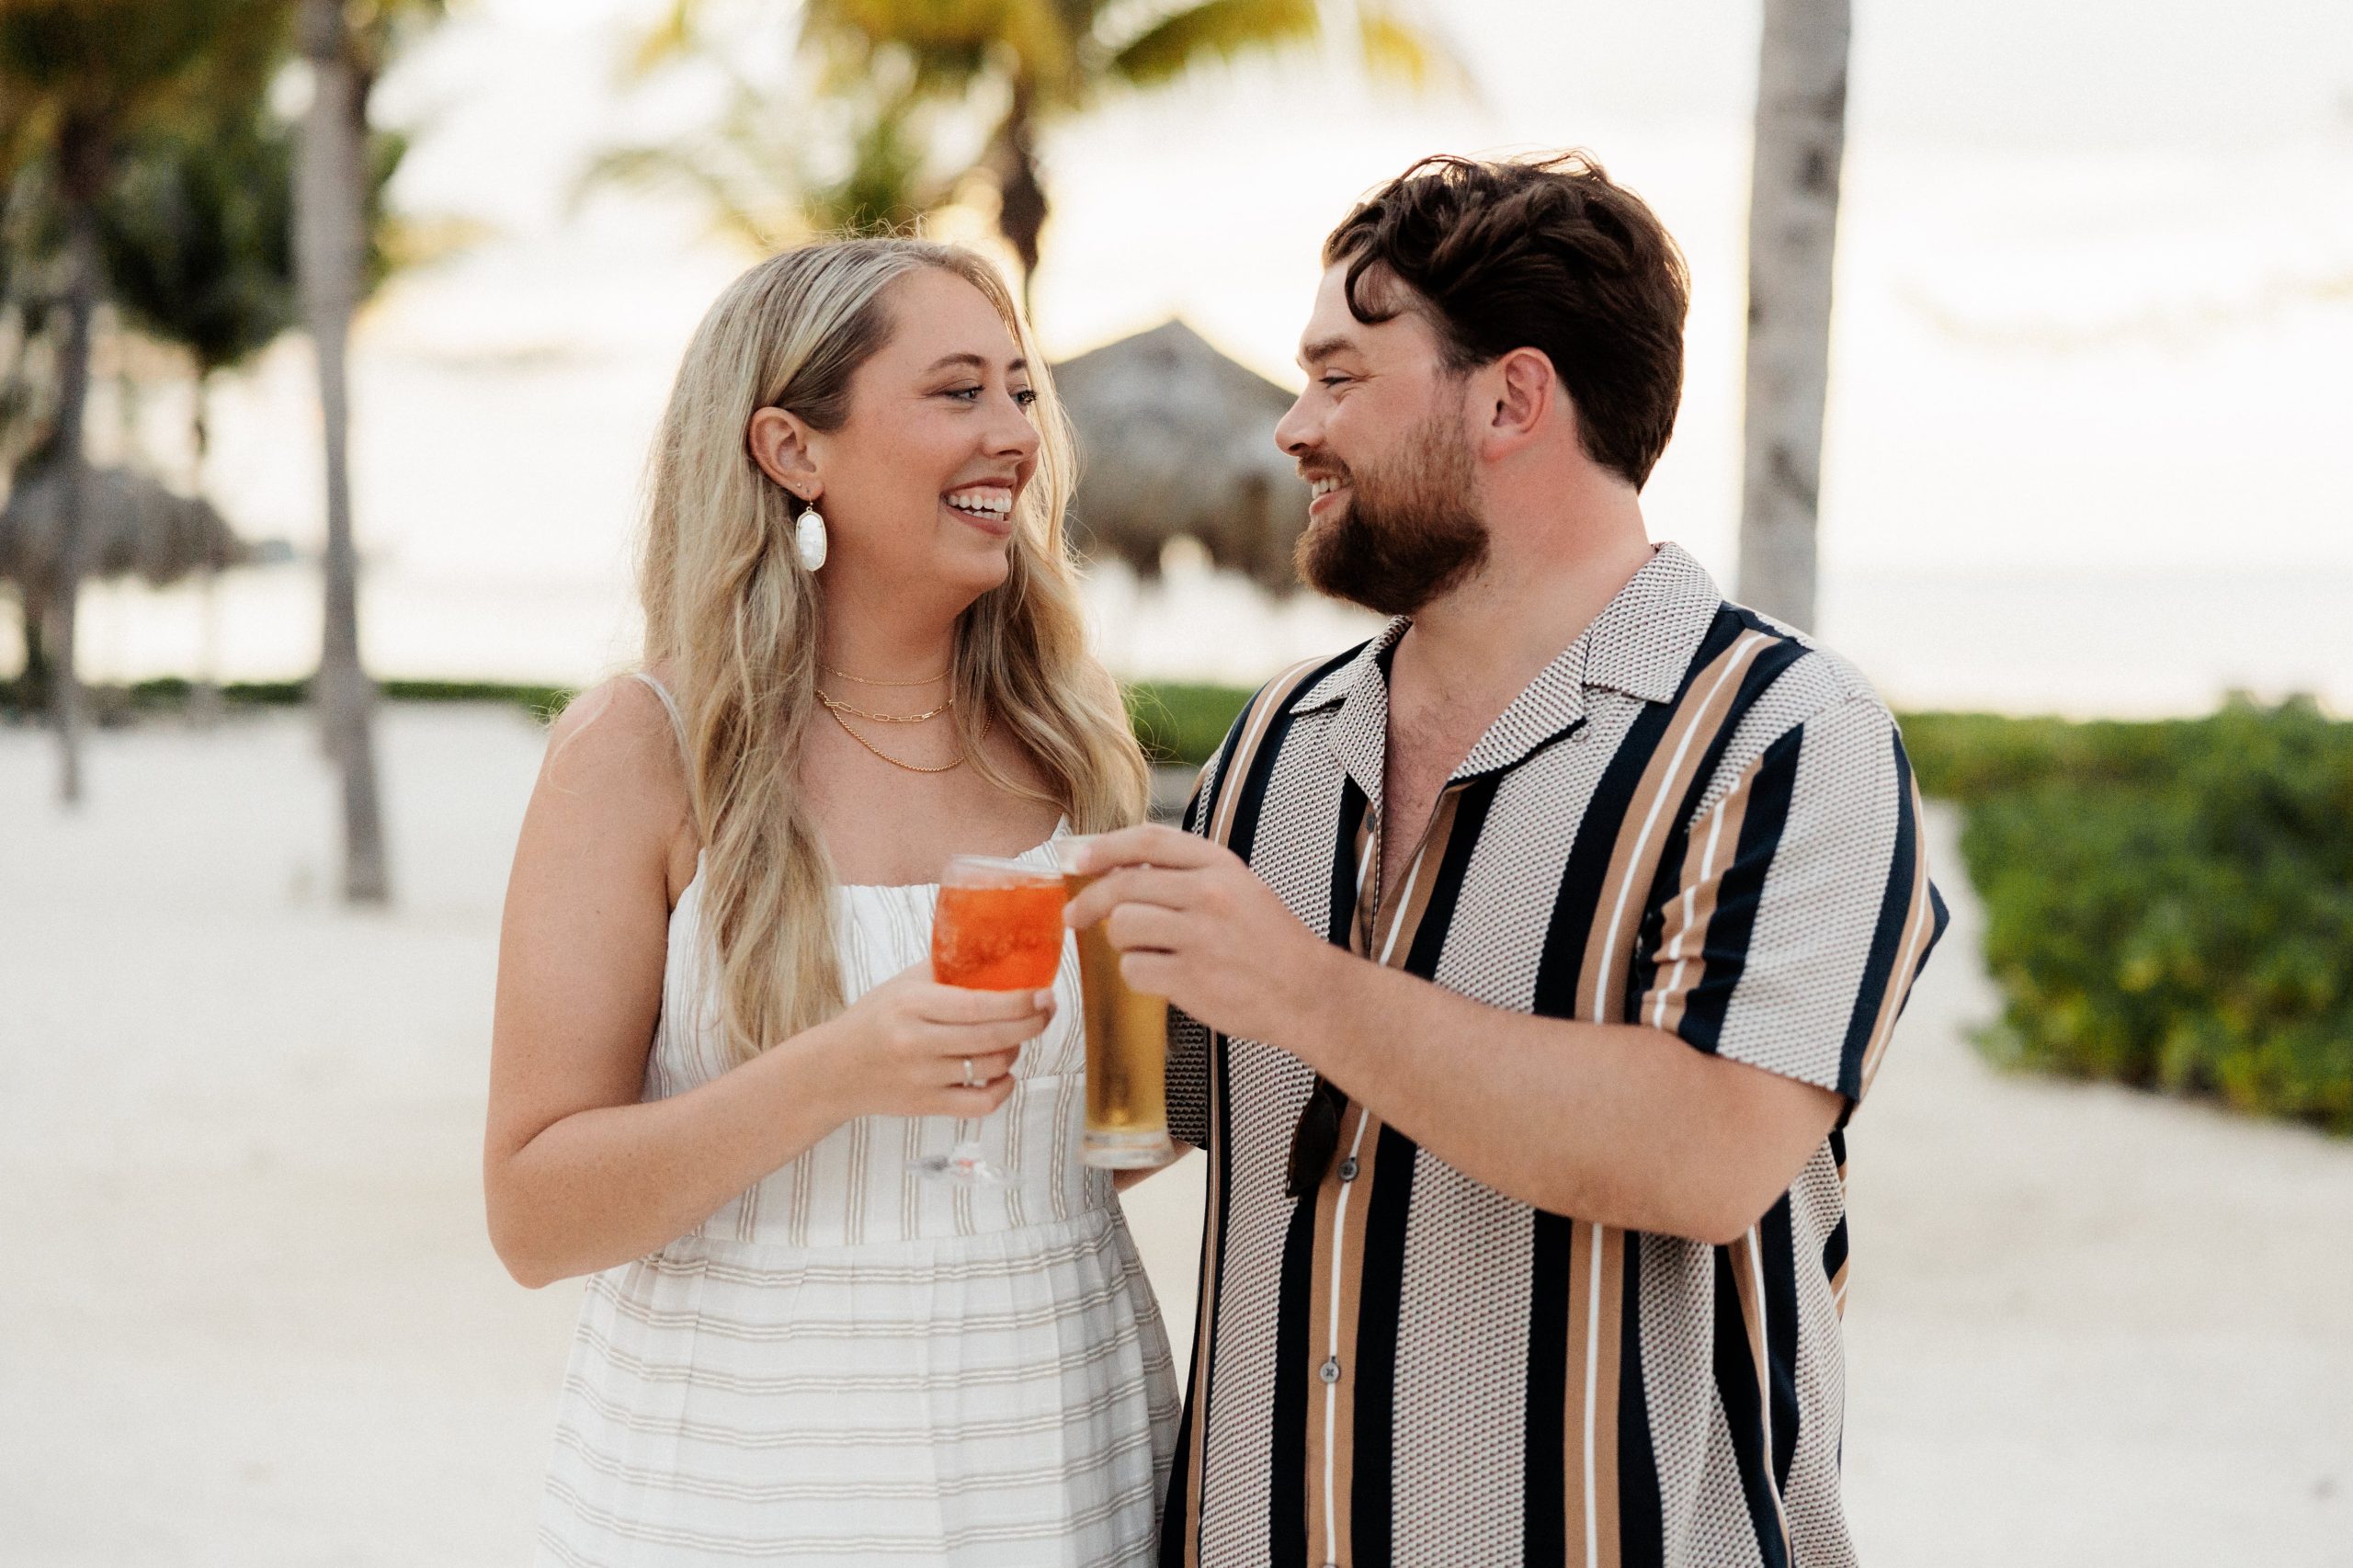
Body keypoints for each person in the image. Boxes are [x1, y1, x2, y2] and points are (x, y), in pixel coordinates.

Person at [1066, 153, 1948, 1567]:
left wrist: (1302, 987)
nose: (1294, 427)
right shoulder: (1281, 739)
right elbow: (1137, 1113)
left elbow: (1705, 1152)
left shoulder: (1790, 739)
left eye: (1342, 378)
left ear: (1511, 400)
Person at [485, 238, 1177, 1565]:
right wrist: (839, 1071)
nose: (1014, 437)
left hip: (1055, 1451)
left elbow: (1124, 1127)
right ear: (794, 448)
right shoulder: (643, 748)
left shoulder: (1074, 743)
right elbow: (531, 1212)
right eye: (959, 392)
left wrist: (1229, 1030)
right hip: (741, 1479)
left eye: (1022, 394)